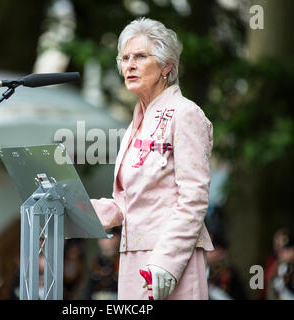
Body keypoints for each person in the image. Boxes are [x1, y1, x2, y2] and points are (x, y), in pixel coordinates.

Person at [91, 17, 214, 300]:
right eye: (124, 58)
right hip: (132, 258)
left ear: (167, 66)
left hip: (170, 261)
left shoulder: (185, 114)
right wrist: (72, 210)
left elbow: (193, 197)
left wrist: (166, 263)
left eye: (140, 56)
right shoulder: (135, 124)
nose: (129, 65)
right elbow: (125, 204)